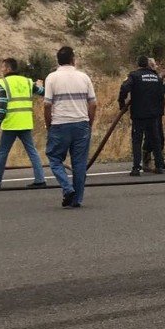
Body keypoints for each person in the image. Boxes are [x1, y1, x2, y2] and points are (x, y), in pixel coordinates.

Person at [43, 46, 97, 208]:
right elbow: (93, 103)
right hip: (81, 123)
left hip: (60, 124)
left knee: (54, 158)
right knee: (79, 164)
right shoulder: (84, 77)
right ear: (73, 59)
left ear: (58, 61)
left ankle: (67, 188)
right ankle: (77, 199)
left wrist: (49, 124)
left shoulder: (51, 78)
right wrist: (89, 123)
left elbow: (47, 104)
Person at [0, 58, 47, 190]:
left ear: (8, 69)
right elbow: (43, 92)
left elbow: (3, 105)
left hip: (11, 123)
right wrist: (40, 85)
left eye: (3, 67)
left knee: (3, 152)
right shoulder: (27, 81)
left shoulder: (3, 83)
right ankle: (40, 179)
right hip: (25, 122)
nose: (2, 70)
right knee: (32, 151)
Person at [119, 56, 165, 176]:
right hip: (154, 116)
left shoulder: (134, 76)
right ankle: (159, 167)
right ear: (148, 64)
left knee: (137, 141)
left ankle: (136, 168)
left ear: (138, 64)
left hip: (138, 116)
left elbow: (124, 87)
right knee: (156, 140)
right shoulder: (156, 77)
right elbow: (164, 90)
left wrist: (121, 103)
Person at [140, 57, 165, 171]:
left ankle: (160, 161)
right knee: (149, 138)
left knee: (160, 138)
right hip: (147, 113)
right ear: (150, 66)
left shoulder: (156, 79)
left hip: (157, 113)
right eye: (154, 65)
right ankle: (146, 163)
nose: (156, 66)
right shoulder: (147, 79)